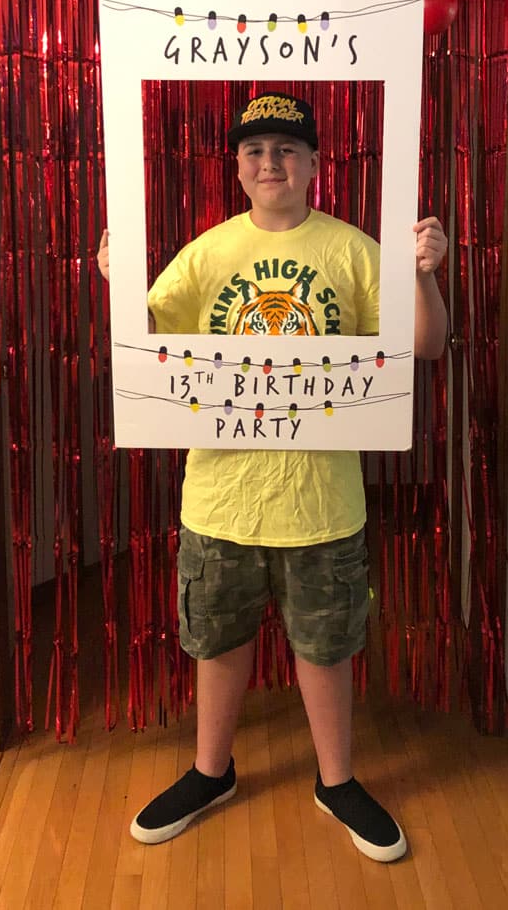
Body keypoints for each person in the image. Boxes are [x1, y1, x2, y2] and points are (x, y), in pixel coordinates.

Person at [98, 91, 447, 863]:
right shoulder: (206, 253)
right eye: (256, 151)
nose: (271, 162)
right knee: (218, 640)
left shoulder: (355, 251)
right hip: (221, 491)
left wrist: (424, 274)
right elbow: (149, 343)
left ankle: (337, 781)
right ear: (237, 167)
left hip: (324, 496)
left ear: (317, 164)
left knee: (325, 647)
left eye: (288, 149)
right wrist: (119, 287)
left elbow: (425, 346)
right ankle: (210, 771)